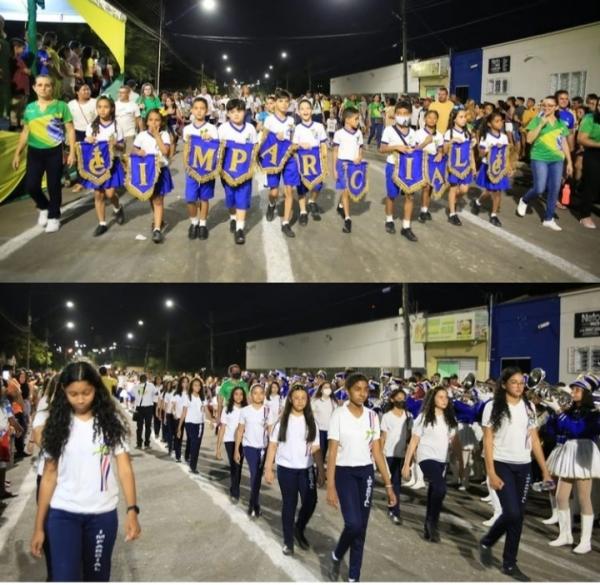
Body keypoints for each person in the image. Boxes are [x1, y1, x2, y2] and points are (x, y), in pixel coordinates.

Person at [30, 362, 141, 581]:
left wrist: (132, 510)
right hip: (62, 514)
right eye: (73, 394)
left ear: (96, 389)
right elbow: (49, 475)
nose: (80, 399)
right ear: (63, 391)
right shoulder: (56, 423)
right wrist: (39, 526)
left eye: (86, 393)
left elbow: (125, 468)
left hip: (102, 516)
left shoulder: (111, 422)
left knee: (97, 577)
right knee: (63, 578)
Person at [479, 367, 553, 582]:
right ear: (504, 385)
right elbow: (487, 441)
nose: (519, 386)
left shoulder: (529, 407)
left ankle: (509, 563)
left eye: (522, 382)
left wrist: (546, 471)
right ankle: (488, 540)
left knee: (518, 517)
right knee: (511, 513)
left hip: (524, 466)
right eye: (514, 382)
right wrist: (491, 472)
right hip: (502, 464)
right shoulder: (492, 407)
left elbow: (534, 439)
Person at [326, 372, 397, 582]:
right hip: (344, 473)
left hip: (365, 473)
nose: (362, 393)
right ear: (348, 391)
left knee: (361, 530)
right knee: (353, 524)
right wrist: (330, 486)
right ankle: (337, 555)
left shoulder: (372, 416)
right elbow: (332, 452)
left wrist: (389, 484)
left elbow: (377, 452)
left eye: (366, 389)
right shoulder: (338, 415)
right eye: (357, 389)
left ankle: (353, 577)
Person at [264, 384, 325, 555]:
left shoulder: (312, 422)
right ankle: (288, 541)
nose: (300, 401)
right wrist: (268, 468)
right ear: (290, 399)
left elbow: (316, 448)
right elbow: (273, 446)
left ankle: (299, 528)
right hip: (286, 470)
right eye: (296, 398)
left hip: (306, 470)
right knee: (289, 504)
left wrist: (321, 470)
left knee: (311, 501)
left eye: (303, 398)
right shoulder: (282, 421)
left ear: (307, 400)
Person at [12, 75, 76, 234]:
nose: (43, 88)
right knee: (31, 186)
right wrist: (17, 153)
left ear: (52, 88)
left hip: (54, 151)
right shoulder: (30, 108)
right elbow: (26, 131)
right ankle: (43, 206)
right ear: (34, 88)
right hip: (34, 151)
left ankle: (54, 217)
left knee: (54, 185)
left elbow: (70, 130)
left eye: (47, 85)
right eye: (40, 85)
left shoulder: (61, 106)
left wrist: (72, 152)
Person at [543, 374, 600, 554]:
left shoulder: (594, 414)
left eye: (577, 390)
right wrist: (554, 412)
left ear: (587, 393)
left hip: (583, 451)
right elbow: (553, 430)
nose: (573, 392)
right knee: (560, 496)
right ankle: (565, 534)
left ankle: (585, 541)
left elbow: (577, 430)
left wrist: (560, 413)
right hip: (568, 450)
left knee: (584, 498)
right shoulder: (569, 411)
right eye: (573, 389)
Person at [402, 386, 461, 542]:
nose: (444, 400)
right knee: (440, 487)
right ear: (433, 399)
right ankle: (431, 524)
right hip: (426, 457)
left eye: (446, 397)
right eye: (440, 397)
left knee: (435, 490)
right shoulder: (423, 417)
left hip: (442, 459)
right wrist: (406, 464)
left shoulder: (450, 420)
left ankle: (430, 524)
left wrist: (460, 464)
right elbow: (414, 441)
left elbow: (456, 444)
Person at [517, 95, 573, 231]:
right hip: (539, 157)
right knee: (540, 188)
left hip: (557, 159)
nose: (546, 107)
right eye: (544, 105)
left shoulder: (560, 123)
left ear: (556, 107)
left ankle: (548, 219)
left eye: (550, 105)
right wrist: (541, 124)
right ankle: (524, 200)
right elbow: (529, 139)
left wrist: (569, 162)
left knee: (554, 189)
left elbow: (564, 143)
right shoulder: (537, 119)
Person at [380, 100, 430, 241]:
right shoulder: (389, 130)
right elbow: (382, 148)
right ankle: (389, 219)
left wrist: (424, 144)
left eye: (405, 113)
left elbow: (415, 151)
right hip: (393, 166)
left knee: (410, 196)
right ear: (395, 115)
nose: (403, 116)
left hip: (408, 168)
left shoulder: (413, 132)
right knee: (391, 195)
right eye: (400, 113)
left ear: (410, 115)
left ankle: (406, 226)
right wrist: (396, 147)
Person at [82, 96, 126, 237]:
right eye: (99, 107)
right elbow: (86, 146)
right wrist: (87, 140)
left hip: (112, 164)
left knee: (110, 193)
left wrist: (115, 144)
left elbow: (123, 147)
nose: (102, 110)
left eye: (106, 107)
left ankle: (118, 207)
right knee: (98, 194)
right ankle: (102, 223)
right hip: (96, 166)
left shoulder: (116, 126)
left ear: (112, 108)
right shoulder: (91, 127)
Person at [217, 98, 258, 245]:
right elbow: (217, 149)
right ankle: (233, 217)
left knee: (242, 197)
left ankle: (240, 228)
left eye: (239, 111)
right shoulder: (222, 129)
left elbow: (255, 148)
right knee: (230, 198)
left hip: (244, 171)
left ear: (245, 112)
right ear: (227, 114)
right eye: (232, 112)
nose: (236, 114)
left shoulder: (250, 129)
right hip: (227, 171)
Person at [132, 109, 173, 243]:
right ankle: (158, 219)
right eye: (150, 120)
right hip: (147, 172)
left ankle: (157, 229)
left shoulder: (164, 134)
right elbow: (134, 149)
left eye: (157, 120)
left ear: (161, 122)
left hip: (160, 170)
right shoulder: (142, 135)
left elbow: (165, 151)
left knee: (158, 200)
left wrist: (157, 136)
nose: (153, 123)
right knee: (152, 197)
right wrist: (138, 152)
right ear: (146, 121)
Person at [263, 89, 300, 238]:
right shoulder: (269, 120)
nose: (284, 104)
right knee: (274, 192)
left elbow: (293, 139)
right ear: (275, 103)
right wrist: (274, 136)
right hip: (273, 159)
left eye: (286, 101)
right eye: (281, 101)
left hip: (289, 158)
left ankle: (285, 223)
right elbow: (264, 140)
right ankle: (271, 205)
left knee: (289, 191)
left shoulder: (291, 120)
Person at [234, 382, 273, 518]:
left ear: (264, 395)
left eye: (261, 393)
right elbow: (240, 431)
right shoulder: (245, 411)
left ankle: (255, 504)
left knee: (257, 477)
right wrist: (236, 450)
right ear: (251, 395)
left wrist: (273, 450)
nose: (258, 395)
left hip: (263, 448)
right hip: (249, 447)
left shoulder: (267, 410)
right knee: (255, 474)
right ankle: (252, 504)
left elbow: (270, 431)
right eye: (255, 393)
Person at [183, 97, 219, 240]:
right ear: (192, 110)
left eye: (202, 108)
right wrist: (186, 165)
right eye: (196, 108)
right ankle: (194, 222)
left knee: (204, 197)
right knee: (191, 198)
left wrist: (210, 140)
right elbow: (186, 149)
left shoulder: (212, 128)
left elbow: (216, 149)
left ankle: (203, 224)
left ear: (207, 111)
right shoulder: (187, 129)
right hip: (192, 168)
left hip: (207, 168)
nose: (199, 111)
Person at [472, 110, 511, 227]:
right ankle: (478, 201)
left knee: (498, 191)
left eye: (501, 121)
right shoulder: (486, 137)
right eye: (497, 121)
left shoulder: (504, 137)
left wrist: (509, 167)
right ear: (489, 124)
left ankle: (494, 215)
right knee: (489, 191)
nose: (500, 123)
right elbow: (481, 153)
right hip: (489, 167)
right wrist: (490, 149)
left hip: (500, 168)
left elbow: (506, 154)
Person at [292, 98, 328, 224]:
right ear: (298, 112)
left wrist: (324, 158)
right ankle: (303, 212)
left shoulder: (319, 126)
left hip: (316, 160)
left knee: (318, 184)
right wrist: (301, 145)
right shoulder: (297, 128)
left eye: (308, 108)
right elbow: (293, 146)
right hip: (302, 162)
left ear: (312, 110)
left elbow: (323, 143)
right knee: (301, 187)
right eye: (302, 109)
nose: (305, 111)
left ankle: (312, 201)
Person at [381, 387, 412, 525]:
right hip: (388, 453)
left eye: (403, 398)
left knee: (397, 483)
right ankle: (393, 509)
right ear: (392, 400)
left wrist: (410, 454)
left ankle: (393, 509)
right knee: (392, 483)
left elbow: (410, 436)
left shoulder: (409, 416)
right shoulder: (386, 417)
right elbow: (383, 437)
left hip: (401, 455)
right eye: (398, 398)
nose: (401, 400)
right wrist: (379, 455)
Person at [333, 107, 364, 234]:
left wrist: (360, 157)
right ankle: (347, 218)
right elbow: (335, 152)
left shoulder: (359, 133)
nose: (358, 121)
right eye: (356, 119)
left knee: (350, 190)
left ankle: (340, 205)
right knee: (345, 190)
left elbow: (360, 149)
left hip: (355, 165)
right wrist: (335, 168)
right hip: (342, 164)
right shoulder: (338, 134)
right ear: (347, 119)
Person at [444, 108, 476, 226]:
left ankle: (452, 201)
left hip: (465, 166)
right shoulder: (449, 133)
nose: (464, 119)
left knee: (464, 189)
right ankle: (452, 214)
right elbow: (444, 150)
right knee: (453, 189)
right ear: (454, 119)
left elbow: (470, 151)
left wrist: (474, 166)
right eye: (461, 117)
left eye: (464, 117)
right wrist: (451, 142)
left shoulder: (467, 132)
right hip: (453, 166)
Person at [216, 386, 247, 503]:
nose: (238, 396)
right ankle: (235, 492)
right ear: (232, 396)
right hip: (229, 440)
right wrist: (218, 448)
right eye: (236, 394)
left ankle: (234, 487)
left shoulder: (247, 409)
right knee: (235, 465)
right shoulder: (227, 409)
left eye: (241, 394)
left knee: (238, 467)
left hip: (243, 441)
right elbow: (222, 428)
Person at [177, 377, 212, 475]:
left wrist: (212, 420)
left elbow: (207, 411)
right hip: (189, 424)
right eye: (195, 385)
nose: (198, 387)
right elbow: (184, 412)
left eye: (199, 385)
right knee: (194, 444)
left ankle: (191, 462)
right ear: (191, 386)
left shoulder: (202, 398)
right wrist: (179, 427)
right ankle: (193, 466)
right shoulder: (188, 397)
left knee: (196, 445)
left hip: (200, 425)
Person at [415, 109, 444, 223]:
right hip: (422, 160)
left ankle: (425, 209)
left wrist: (440, 153)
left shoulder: (439, 135)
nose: (432, 120)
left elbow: (440, 149)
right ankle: (422, 210)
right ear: (424, 119)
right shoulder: (418, 133)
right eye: (429, 117)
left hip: (434, 162)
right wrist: (425, 143)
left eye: (434, 118)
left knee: (430, 186)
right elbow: (415, 150)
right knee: (426, 186)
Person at [576, 104, 600, 229]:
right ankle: (585, 215)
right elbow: (581, 139)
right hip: (594, 153)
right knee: (591, 184)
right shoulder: (589, 118)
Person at [312, 379, 337, 462]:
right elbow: (311, 415)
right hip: (319, 430)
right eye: (325, 387)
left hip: (330, 431)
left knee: (327, 450)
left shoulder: (333, 402)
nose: (327, 389)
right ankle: (319, 469)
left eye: (329, 387)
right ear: (321, 389)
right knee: (320, 451)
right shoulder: (316, 402)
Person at [131, 373, 157, 450]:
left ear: (139, 379)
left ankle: (139, 444)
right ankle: (147, 443)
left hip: (139, 408)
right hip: (149, 408)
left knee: (139, 427)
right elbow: (155, 393)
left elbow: (133, 396)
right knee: (148, 427)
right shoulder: (151, 386)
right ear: (146, 379)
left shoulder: (135, 387)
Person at [115, 85, 142, 154]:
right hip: (117, 135)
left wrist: (141, 133)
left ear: (128, 93)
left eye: (123, 92)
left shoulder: (134, 105)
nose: (120, 94)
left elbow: (138, 120)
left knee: (129, 157)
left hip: (130, 134)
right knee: (118, 157)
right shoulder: (114, 104)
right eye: (119, 92)